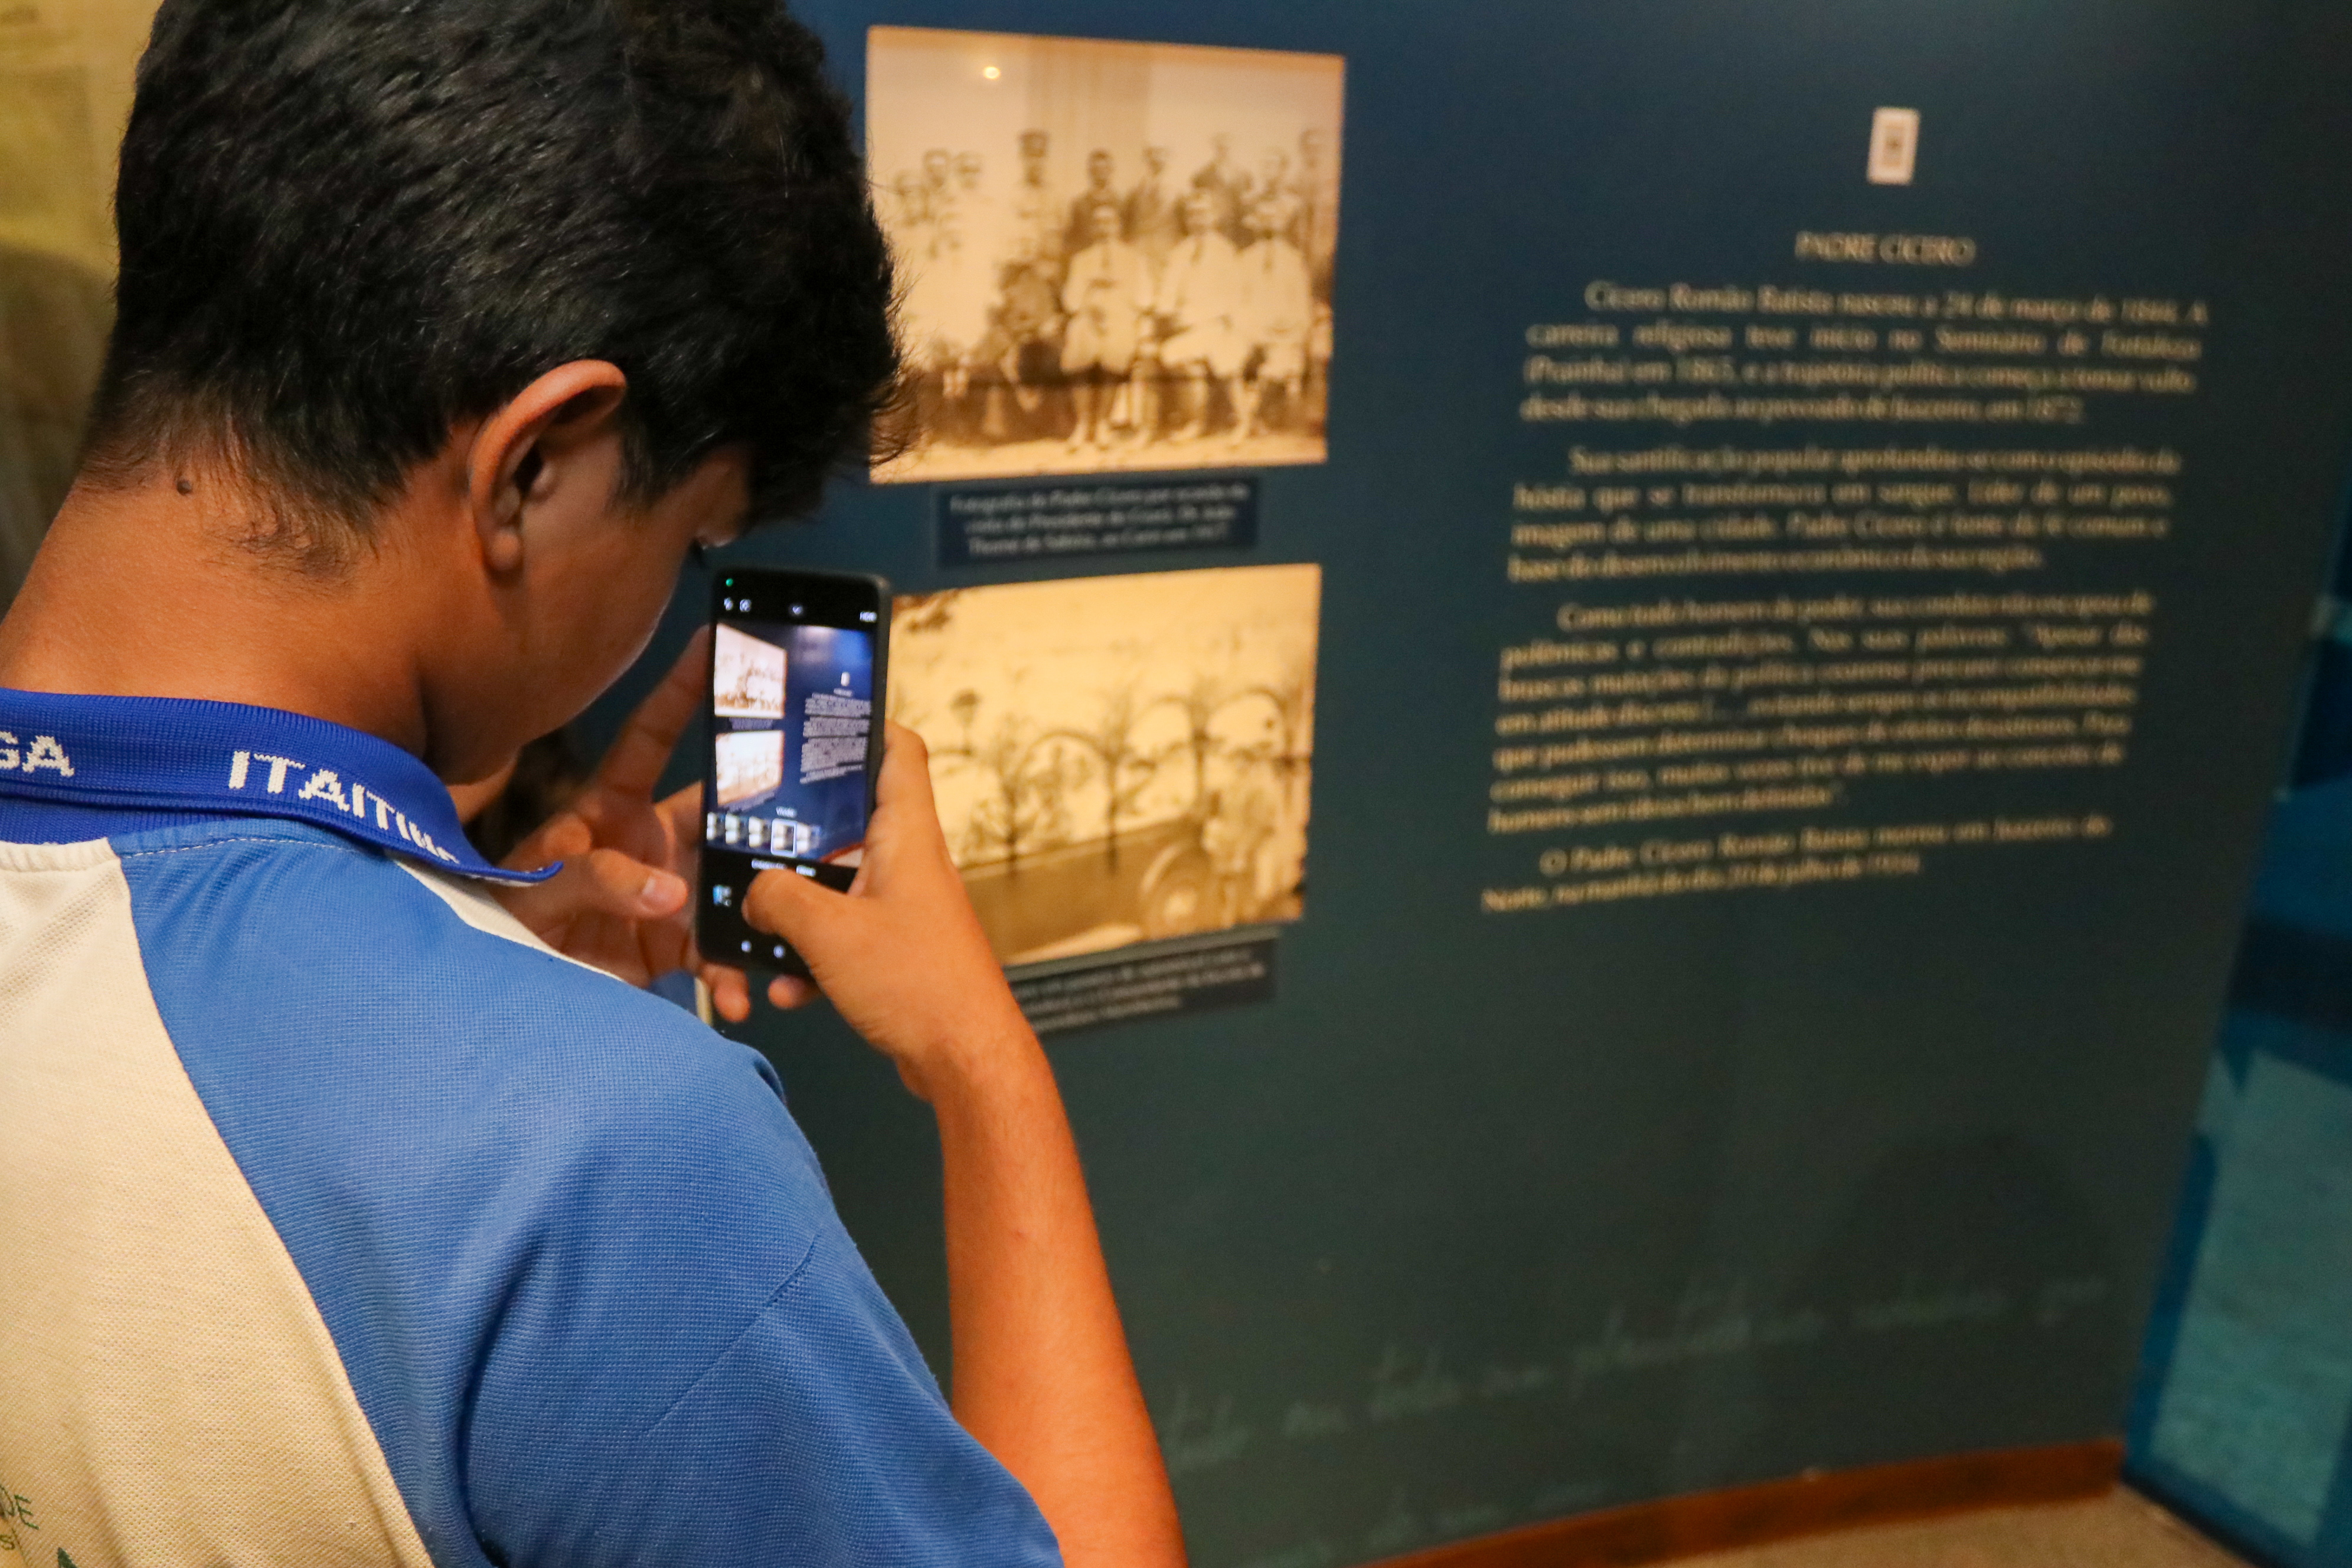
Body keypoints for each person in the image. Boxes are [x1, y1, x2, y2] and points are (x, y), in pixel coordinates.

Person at [0, 5, 1185, 1568]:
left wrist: (461, 958)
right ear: (536, 464)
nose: (673, 592)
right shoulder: (602, 1154)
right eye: (694, 535)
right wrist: (985, 1070)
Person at [1151, 190, 1246, 442]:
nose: (1197, 219)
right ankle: (1196, 421)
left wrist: (1204, 319)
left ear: (1214, 217)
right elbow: (1168, 294)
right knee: (1177, 355)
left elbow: (1233, 298)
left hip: (1220, 323)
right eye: (1192, 214)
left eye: (1203, 213)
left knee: (1226, 360)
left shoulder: (1225, 250)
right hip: (1188, 327)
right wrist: (1168, 316)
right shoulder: (1180, 252)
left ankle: (1242, 422)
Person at [1058, 200, 1150, 450]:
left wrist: (1117, 296)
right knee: (1079, 343)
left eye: (1109, 222)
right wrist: (1090, 285)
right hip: (1088, 316)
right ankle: (1083, 424)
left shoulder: (1133, 259)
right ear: (1092, 228)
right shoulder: (1081, 260)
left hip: (1121, 317)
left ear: (1118, 226)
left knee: (1114, 350)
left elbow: (1144, 298)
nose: (1104, 228)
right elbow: (1071, 303)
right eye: (1098, 223)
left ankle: (1103, 423)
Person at [1236, 191, 1315, 443]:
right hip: (1252, 330)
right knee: (1234, 358)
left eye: (1274, 219)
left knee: (1277, 368)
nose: (1269, 224)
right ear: (1257, 223)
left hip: (1285, 332)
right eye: (1264, 219)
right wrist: (1253, 331)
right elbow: (1238, 302)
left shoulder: (1293, 259)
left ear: (1281, 224)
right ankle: (1247, 421)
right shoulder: (1245, 259)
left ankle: (1253, 421)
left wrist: (1292, 332)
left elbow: (1301, 304)